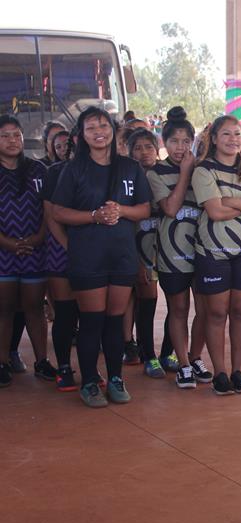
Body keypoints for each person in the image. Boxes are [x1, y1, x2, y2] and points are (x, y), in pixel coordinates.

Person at [52, 106, 153, 407]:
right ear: (81, 135)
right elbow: (58, 212)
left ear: (113, 130)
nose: (99, 132)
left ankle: (116, 378)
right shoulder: (74, 169)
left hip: (122, 255)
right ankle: (90, 383)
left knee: (114, 320)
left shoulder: (129, 167)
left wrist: (121, 211)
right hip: (88, 256)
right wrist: (94, 216)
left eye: (104, 125)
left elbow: (145, 209)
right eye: (91, 127)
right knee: (92, 321)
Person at [191, 114, 241, 395]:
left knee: (239, 312)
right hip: (213, 251)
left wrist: (231, 201)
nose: (233, 139)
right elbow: (214, 211)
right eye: (226, 134)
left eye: (237, 134)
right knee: (215, 313)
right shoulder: (203, 171)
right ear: (213, 139)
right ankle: (220, 373)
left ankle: (238, 371)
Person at [147, 106, 212, 389]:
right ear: (163, 142)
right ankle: (183, 363)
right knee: (179, 308)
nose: (180, 147)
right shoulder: (156, 173)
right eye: (174, 141)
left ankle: (196, 357)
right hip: (172, 255)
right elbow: (171, 208)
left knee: (206, 308)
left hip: (204, 251)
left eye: (186, 141)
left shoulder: (203, 169)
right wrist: (185, 172)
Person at [0, 115, 57, 388]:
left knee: (34, 308)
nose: (12, 140)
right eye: (5, 135)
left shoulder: (37, 170)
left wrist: (38, 237)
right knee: (5, 310)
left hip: (36, 250)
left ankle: (42, 362)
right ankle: (2, 363)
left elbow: (50, 211)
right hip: (3, 254)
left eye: (16, 135)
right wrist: (7, 243)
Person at [126, 128, 177, 376]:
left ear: (157, 149)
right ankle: (149, 356)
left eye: (148, 147)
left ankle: (169, 352)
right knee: (147, 301)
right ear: (130, 152)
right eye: (138, 147)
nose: (144, 152)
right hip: (142, 246)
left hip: (170, 244)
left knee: (176, 302)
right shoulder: (126, 177)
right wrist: (135, 260)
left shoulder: (167, 172)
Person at [41, 125, 80, 391]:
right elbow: (50, 215)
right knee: (65, 313)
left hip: (94, 250)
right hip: (60, 250)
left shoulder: (105, 170)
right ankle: (64, 366)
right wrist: (68, 246)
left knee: (90, 315)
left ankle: (89, 369)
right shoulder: (54, 173)